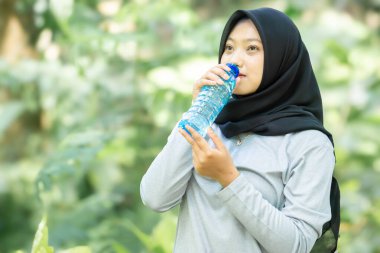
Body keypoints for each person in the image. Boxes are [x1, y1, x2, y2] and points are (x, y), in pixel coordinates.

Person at [140, 7, 339, 253]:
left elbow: (296, 244)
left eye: (252, 48)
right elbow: (154, 197)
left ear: (281, 58)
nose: (235, 59)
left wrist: (229, 179)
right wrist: (197, 114)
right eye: (229, 48)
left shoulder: (308, 142)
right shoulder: (208, 123)